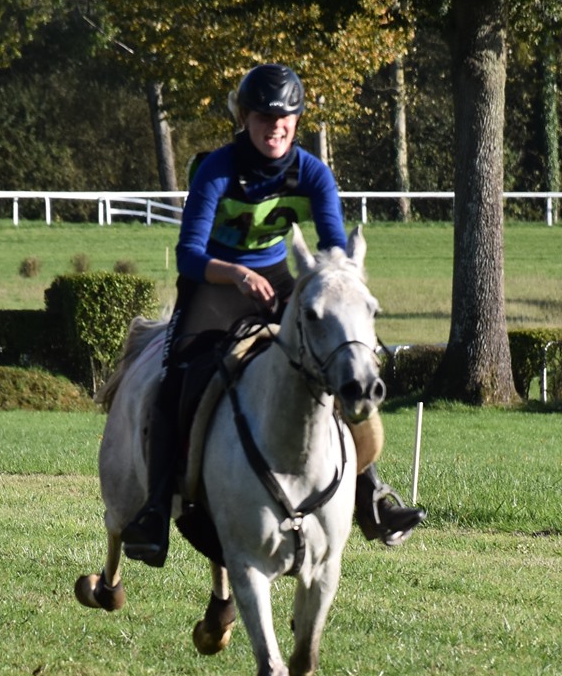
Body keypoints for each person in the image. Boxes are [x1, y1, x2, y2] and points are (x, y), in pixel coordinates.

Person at [120, 63, 425, 567]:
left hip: (280, 281)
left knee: (333, 360)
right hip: (214, 283)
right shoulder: (216, 168)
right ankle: (154, 510)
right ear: (245, 119)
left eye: (286, 117)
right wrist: (236, 275)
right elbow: (189, 256)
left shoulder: (312, 172)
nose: (276, 125)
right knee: (177, 376)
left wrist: (340, 290)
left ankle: (369, 493)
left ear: (297, 122)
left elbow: (332, 252)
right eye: (264, 116)